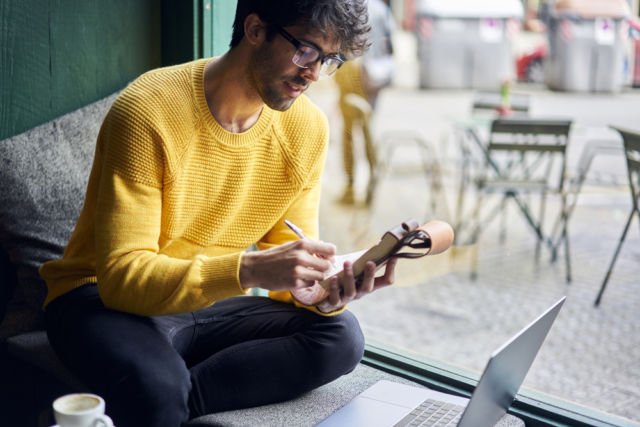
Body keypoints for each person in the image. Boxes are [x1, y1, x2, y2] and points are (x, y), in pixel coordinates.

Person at [39, 1, 398, 426]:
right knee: (157, 387)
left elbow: (289, 266)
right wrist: (246, 271)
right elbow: (122, 278)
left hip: (205, 303)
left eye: (330, 59)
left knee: (341, 336)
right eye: (306, 50)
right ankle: (159, 400)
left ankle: (167, 406)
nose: (315, 74)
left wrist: (322, 292)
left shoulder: (307, 129)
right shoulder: (148, 110)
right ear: (255, 29)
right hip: (100, 299)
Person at [334, 0, 395, 205]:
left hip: (352, 70)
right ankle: (371, 183)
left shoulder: (348, 4)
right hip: (375, 75)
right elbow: (390, 46)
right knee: (368, 129)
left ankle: (351, 186)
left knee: (349, 133)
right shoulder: (382, 9)